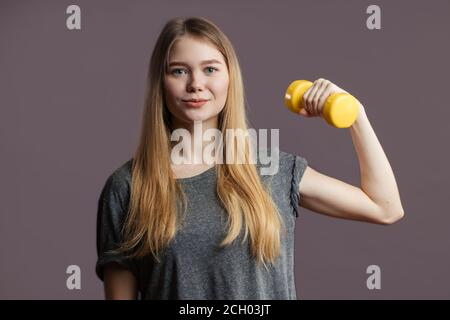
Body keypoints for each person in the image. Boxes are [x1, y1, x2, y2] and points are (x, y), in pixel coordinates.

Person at [95, 17, 404, 300]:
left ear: (230, 78)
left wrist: (355, 115)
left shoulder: (273, 169)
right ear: (160, 83)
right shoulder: (128, 187)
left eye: (210, 69)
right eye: (179, 70)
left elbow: (385, 208)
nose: (196, 84)